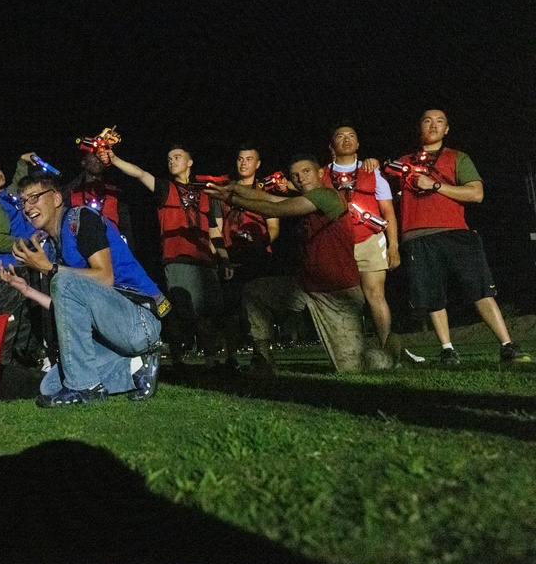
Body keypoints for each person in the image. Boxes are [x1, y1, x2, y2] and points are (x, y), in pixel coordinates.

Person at [205, 155, 390, 374]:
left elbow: (276, 209)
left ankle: (387, 351)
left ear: (320, 173)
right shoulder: (306, 199)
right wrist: (234, 187)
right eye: (295, 175)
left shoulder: (327, 195)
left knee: (352, 368)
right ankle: (263, 360)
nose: (301, 178)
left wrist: (232, 199)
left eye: (306, 172)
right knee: (254, 292)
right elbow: (269, 199)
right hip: (305, 285)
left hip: (336, 293)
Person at [0, 175, 164, 407]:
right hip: (113, 335)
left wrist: (49, 268)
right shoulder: (54, 246)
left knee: (64, 280)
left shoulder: (81, 219)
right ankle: (135, 368)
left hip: (139, 320)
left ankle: (86, 388)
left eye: (34, 198)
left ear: (56, 198)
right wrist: (27, 291)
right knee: (50, 386)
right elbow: (68, 308)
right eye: (23, 201)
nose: (27, 207)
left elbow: (105, 277)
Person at [393, 109, 530, 366]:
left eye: (440, 121)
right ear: (418, 127)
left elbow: (476, 194)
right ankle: (447, 349)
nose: (433, 125)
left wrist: (434, 185)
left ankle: (507, 345)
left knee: (480, 289)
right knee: (433, 296)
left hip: (456, 232)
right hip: (417, 235)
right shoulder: (402, 163)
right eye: (427, 120)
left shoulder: (457, 157)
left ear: (447, 129)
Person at [106, 145, 231, 366]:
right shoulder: (166, 188)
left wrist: (224, 257)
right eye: (169, 158)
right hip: (177, 259)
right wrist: (114, 159)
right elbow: (140, 173)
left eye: (177, 157)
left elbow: (214, 230)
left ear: (190, 162)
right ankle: (176, 358)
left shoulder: (204, 193)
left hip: (205, 261)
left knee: (209, 313)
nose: (171, 161)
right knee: (183, 311)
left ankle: (211, 360)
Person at [323, 125, 400, 355]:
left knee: (375, 295)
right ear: (331, 146)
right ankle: (348, 350)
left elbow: (389, 213)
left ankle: (386, 348)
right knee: (342, 299)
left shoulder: (373, 172)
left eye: (351, 136)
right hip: (336, 245)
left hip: (370, 240)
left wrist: (394, 246)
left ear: (358, 145)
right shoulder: (320, 175)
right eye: (340, 136)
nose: (346, 140)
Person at [0, 154, 44, 368]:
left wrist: (21, 161)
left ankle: (26, 372)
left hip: (23, 265)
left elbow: (16, 180)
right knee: (11, 326)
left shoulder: (7, 197)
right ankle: (5, 375)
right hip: (6, 271)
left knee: (27, 324)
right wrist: (30, 242)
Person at [219, 144, 280, 368]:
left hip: (258, 257)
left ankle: (260, 355)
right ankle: (231, 357)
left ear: (258, 164)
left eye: (249, 159)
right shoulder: (227, 191)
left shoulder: (265, 192)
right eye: (240, 159)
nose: (243, 163)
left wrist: (261, 243)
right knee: (231, 311)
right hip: (232, 257)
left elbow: (274, 227)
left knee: (258, 308)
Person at [63, 148, 134, 247]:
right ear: (83, 162)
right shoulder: (71, 192)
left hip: (112, 248)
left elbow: (126, 228)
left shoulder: (115, 192)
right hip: (81, 249)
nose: (97, 159)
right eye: (93, 155)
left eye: (100, 155)